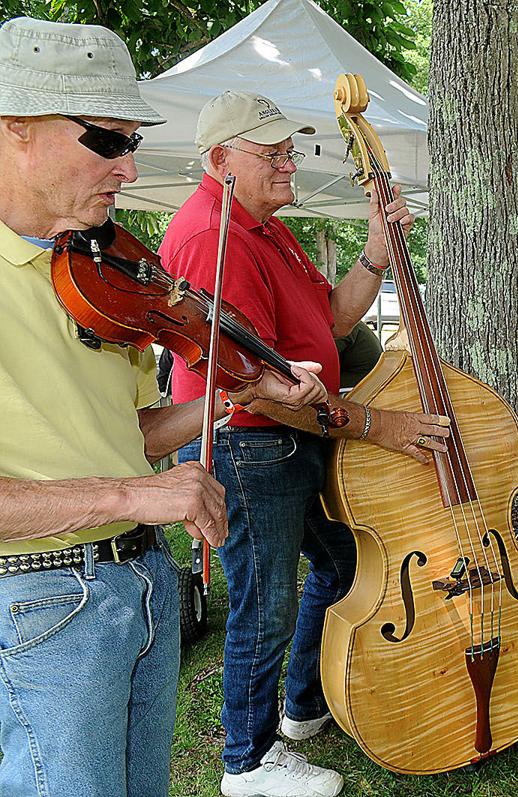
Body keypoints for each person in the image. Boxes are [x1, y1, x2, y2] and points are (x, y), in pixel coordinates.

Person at [0, 18, 327, 797]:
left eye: (132, 139)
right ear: (16, 129)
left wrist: (238, 390)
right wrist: (133, 494)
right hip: (42, 596)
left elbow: (136, 434)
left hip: (141, 581)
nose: (131, 164)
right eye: (109, 141)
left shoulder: (96, 263)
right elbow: (130, 476)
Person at [160, 91, 451, 797]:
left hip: (288, 440)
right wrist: (377, 424)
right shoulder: (211, 237)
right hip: (253, 445)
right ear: (221, 161)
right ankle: (247, 762)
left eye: (290, 149)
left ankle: (301, 703)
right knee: (265, 603)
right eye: (274, 153)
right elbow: (253, 389)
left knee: (343, 561)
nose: (291, 162)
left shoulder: (266, 225)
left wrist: (377, 255)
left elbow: (331, 318)